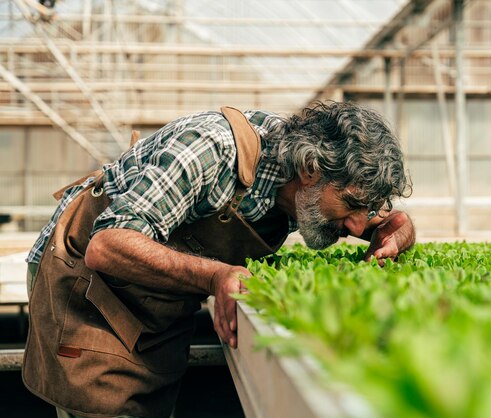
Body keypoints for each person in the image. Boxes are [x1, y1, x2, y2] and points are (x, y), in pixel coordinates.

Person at [23, 101, 415, 418]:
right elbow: (107, 245)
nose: (359, 223)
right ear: (310, 170)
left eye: (368, 207)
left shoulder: (314, 184)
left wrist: (398, 229)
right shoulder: (210, 150)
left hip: (154, 301)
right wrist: (216, 275)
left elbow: (391, 222)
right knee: (101, 405)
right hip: (85, 285)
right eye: (350, 204)